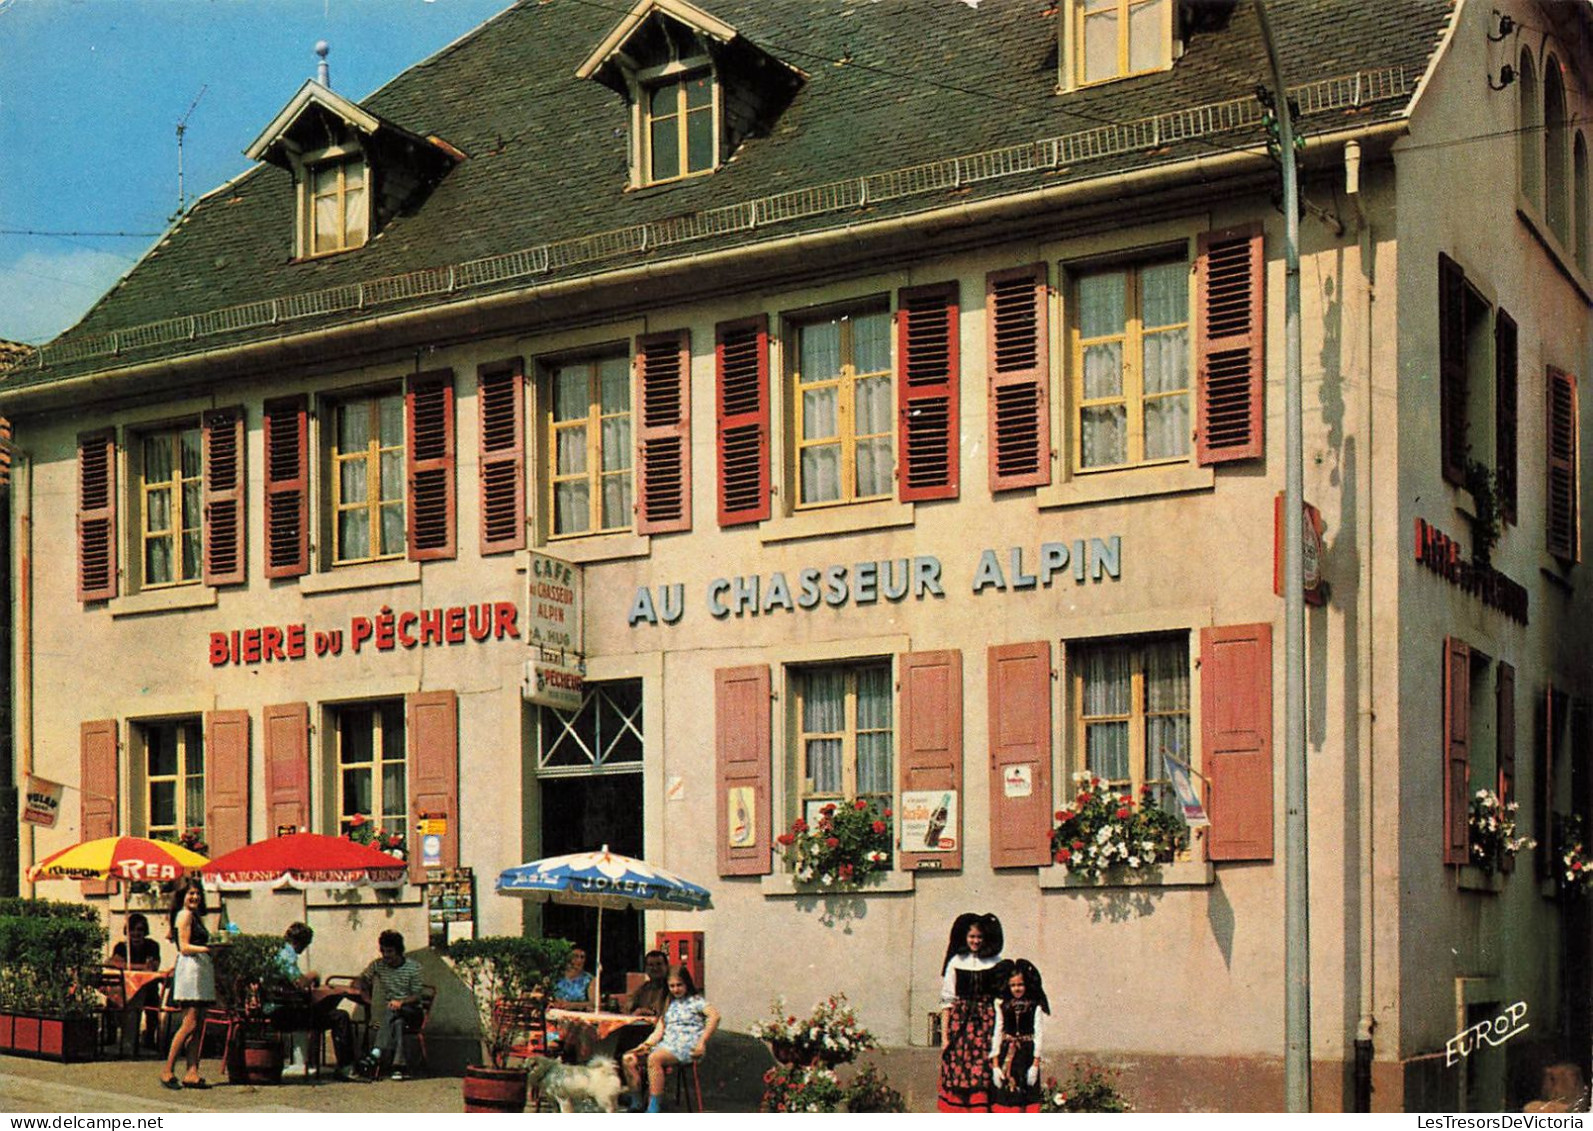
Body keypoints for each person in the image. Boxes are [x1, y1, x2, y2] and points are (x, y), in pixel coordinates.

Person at [621, 965, 719, 1113]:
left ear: (687, 984)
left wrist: (702, 1042)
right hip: (666, 1045)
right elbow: (659, 1030)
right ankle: (636, 1101)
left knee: (654, 1058)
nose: (676, 989)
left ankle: (654, 1106)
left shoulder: (696, 1001)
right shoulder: (669, 1004)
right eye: (672, 986)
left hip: (686, 1046)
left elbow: (714, 1016)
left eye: (679, 985)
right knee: (629, 1058)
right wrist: (646, 1044)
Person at [938, 911, 1004, 1113]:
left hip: (986, 1024)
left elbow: (1001, 1000)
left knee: (984, 1070)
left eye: (979, 937)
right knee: (959, 1069)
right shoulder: (956, 961)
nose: (975, 941)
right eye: (972, 937)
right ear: (965, 938)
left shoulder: (995, 962)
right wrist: (945, 1037)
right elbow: (947, 1001)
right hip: (961, 1025)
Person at [271, 922, 354, 1079]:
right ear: (300, 942)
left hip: (280, 1008)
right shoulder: (287, 955)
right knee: (340, 1016)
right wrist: (313, 975)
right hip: (287, 1013)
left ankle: (316, 1063)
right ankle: (346, 1067)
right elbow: (299, 982)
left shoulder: (277, 952)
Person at [159, 877, 215, 1091]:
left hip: (200, 972)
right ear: (182, 896)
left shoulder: (194, 916)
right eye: (190, 893)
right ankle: (167, 1069)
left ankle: (192, 1071)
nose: (195, 897)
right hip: (191, 973)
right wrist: (208, 949)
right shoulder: (183, 915)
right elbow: (184, 947)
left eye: (197, 894)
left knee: (199, 1025)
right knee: (189, 1023)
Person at [355, 929, 425, 1081]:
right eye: (384, 951)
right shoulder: (378, 965)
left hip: (412, 1010)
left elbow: (417, 996)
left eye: (390, 951)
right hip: (393, 1014)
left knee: (394, 1011)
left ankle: (376, 1052)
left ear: (399, 951)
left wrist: (401, 1002)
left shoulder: (414, 967)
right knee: (397, 1022)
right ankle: (398, 1067)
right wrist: (366, 997)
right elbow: (361, 980)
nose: (386, 955)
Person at [988, 958, 1049, 1113]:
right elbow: (997, 1032)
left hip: (1026, 1055)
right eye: (1013, 985)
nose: (1017, 988)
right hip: (1007, 1055)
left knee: (1026, 1097)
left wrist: (1035, 1065)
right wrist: (995, 1065)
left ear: (1026, 984)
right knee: (1007, 1098)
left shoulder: (1034, 1006)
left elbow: (1038, 1035)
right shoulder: (1002, 1005)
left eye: (1020, 984)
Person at [613, 950, 671, 1059]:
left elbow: (664, 1013)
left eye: (659, 964)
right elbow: (629, 1006)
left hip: (661, 1033)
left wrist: (645, 1011)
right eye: (650, 965)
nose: (655, 968)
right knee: (624, 1034)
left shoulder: (671, 987)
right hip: (642, 1029)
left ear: (666, 966)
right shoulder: (644, 988)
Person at [551, 945, 596, 1011]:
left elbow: (594, 1003)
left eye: (582, 957)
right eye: (575, 956)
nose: (579, 960)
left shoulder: (589, 979)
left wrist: (572, 1005)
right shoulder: (555, 976)